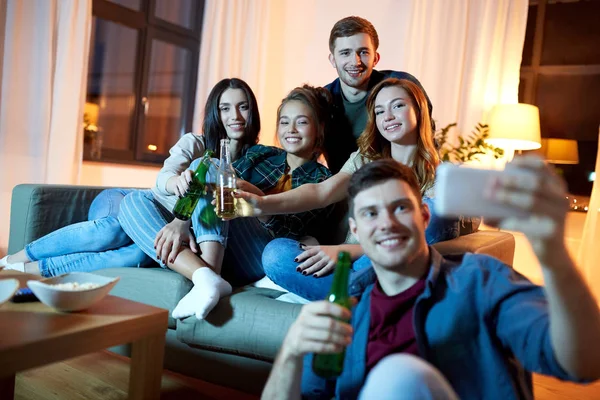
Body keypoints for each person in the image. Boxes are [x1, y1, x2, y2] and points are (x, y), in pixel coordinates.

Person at [261, 158, 600, 400]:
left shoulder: (479, 280)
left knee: (399, 377)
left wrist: (552, 251)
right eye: (370, 213)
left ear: (424, 217)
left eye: (400, 208)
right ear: (355, 232)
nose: (387, 223)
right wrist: (291, 351)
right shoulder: (347, 316)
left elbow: (584, 362)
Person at [0, 78, 260, 278]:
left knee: (140, 252)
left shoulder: (257, 161)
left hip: (162, 223)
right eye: (225, 108)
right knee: (115, 229)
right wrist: (176, 182)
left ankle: (34, 270)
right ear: (216, 113)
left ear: (252, 112)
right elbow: (164, 177)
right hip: (130, 200)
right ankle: (15, 259)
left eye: (243, 107)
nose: (234, 117)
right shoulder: (196, 144)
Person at [119, 85, 334, 320]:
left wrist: (259, 202)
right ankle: (205, 277)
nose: (291, 130)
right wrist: (181, 221)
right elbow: (214, 187)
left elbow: (294, 241)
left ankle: (208, 273)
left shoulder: (324, 182)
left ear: (320, 129)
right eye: (284, 122)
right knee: (133, 201)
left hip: (260, 253)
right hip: (220, 237)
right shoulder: (261, 154)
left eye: (301, 122)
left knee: (209, 167)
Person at [236, 78, 458, 301]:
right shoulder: (365, 159)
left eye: (398, 106)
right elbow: (321, 193)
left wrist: (347, 250)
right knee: (276, 254)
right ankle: (367, 298)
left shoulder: (442, 177)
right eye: (379, 111)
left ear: (419, 111)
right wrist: (261, 203)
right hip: (348, 264)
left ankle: (352, 297)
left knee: (434, 212)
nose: (388, 116)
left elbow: (434, 232)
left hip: (373, 259)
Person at [323, 16, 433, 174]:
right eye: (345, 53)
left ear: (376, 58)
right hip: (343, 187)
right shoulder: (322, 101)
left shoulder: (400, 85)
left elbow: (427, 136)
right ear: (333, 60)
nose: (355, 61)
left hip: (403, 180)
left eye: (363, 52)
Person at [0, 188, 152, 276]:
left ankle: (23, 271)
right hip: (121, 199)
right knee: (112, 230)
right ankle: (11, 260)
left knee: (137, 255)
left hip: (152, 229)